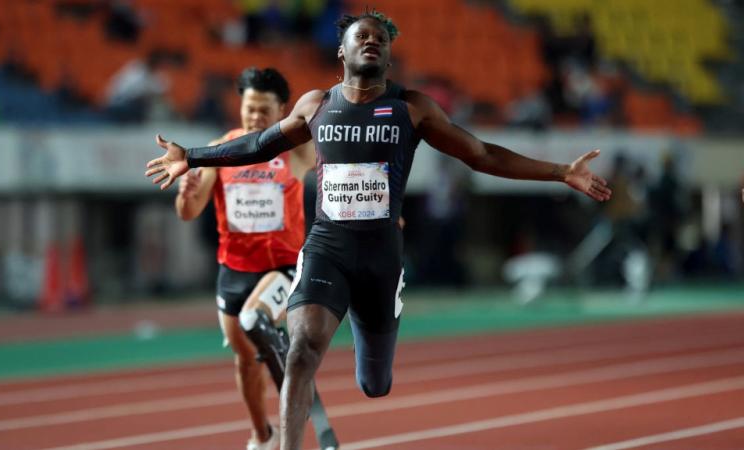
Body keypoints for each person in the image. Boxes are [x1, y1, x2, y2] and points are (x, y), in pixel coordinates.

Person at [146, 11, 612, 450]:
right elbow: (261, 144)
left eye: (380, 39)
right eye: (361, 36)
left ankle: (375, 335)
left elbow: (481, 153)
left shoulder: (412, 108)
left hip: (381, 258)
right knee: (302, 349)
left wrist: (560, 172)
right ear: (342, 54)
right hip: (327, 247)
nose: (371, 41)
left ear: (388, 57)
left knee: (375, 384)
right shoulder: (316, 105)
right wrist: (194, 154)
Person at [174, 67, 314, 450]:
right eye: (249, 108)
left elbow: (337, 160)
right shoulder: (220, 149)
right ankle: (263, 436)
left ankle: (294, 416)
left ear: (282, 109)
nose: (255, 117)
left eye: (264, 110)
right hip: (233, 270)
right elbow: (189, 211)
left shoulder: (297, 150)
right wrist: (186, 193)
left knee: (257, 317)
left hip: (283, 266)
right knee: (245, 359)